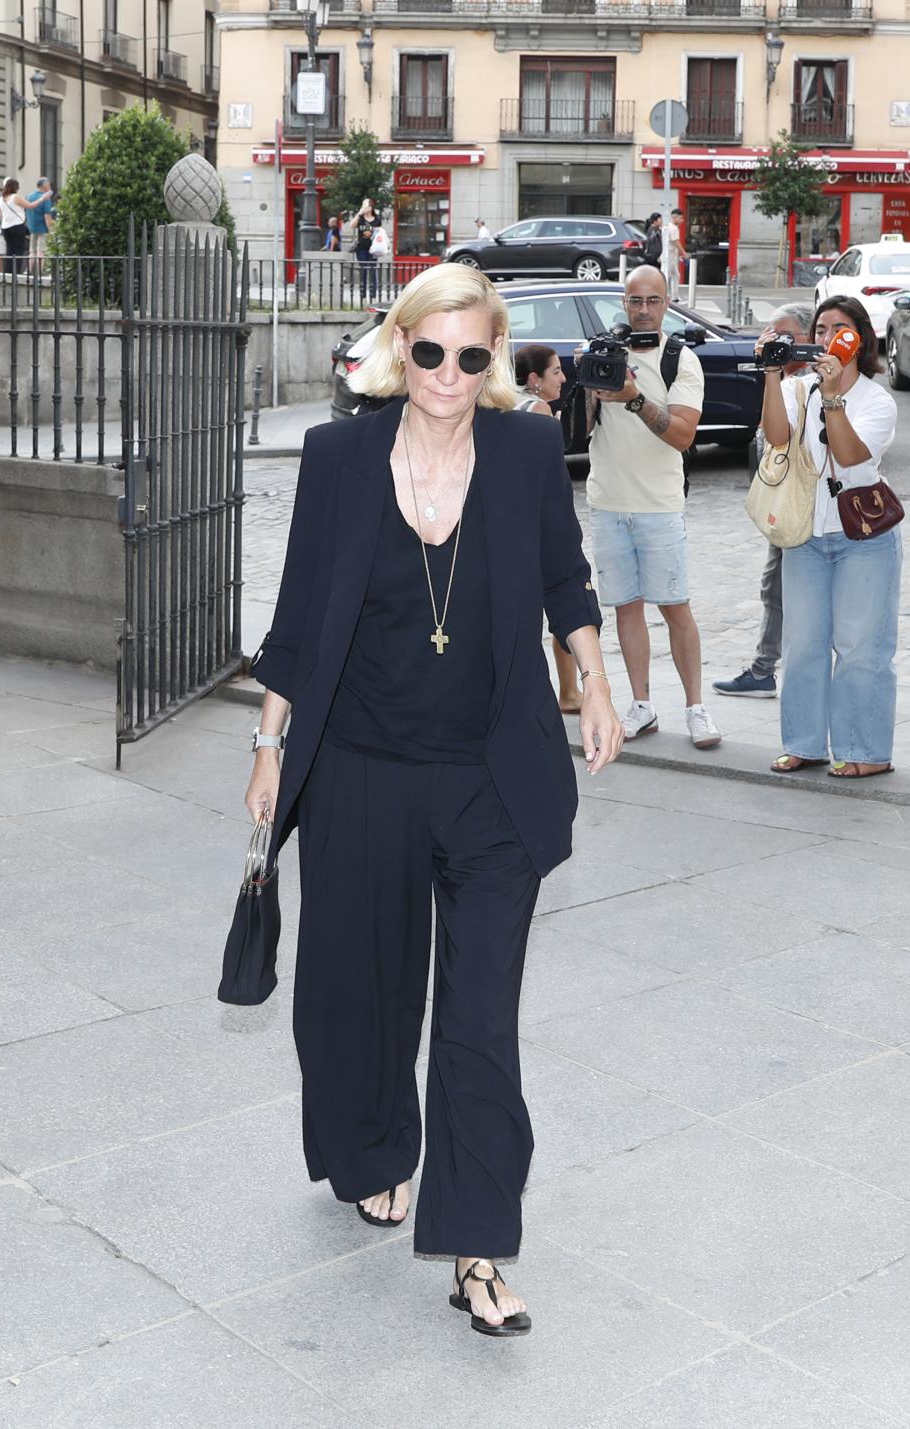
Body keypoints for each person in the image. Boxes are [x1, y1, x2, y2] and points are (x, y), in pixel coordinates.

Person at [244, 263, 622, 1337]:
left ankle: (476, 1245)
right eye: (429, 352)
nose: (449, 375)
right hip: (363, 762)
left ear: (490, 359)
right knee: (359, 988)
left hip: (491, 776)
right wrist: (271, 745)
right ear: (397, 348)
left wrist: (592, 684)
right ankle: (368, 1148)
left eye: (471, 356)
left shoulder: (526, 451)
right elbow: (297, 615)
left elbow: (565, 579)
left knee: (478, 1015)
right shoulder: (340, 457)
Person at [763, 294, 900, 779]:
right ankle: (804, 743)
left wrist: (834, 396)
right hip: (805, 534)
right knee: (802, 644)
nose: (824, 339)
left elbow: (847, 456)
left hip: (862, 536)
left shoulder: (876, 400)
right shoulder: (798, 389)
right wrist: (772, 375)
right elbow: (776, 437)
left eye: (837, 330)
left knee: (862, 646)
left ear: (858, 341)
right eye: (819, 330)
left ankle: (867, 748)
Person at [585, 263, 722, 749]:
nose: (643, 310)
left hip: (659, 505)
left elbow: (683, 437)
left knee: (675, 607)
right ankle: (641, 704)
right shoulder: (608, 350)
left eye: (653, 301)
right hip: (607, 502)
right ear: (624, 302)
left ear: (667, 303)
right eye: (635, 301)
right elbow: (587, 424)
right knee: (626, 608)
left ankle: (695, 708)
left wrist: (634, 397)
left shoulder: (680, 360)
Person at [713, 302, 815, 699]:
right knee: (775, 586)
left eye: (785, 336)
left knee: (781, 589)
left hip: (803, 503)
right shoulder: (784, 379)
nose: (777, 344)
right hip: (784, 498)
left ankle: (769, 669)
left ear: (809, 338)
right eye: (771, 336)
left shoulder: (810, 382)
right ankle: (764, 668)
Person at [514, 343, 583, 715]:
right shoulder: (538, 410)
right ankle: (569, 691)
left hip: (513, 520)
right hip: (539, 523)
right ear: (535, 380)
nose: (563, 377)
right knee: (562, 604)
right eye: (556, 371)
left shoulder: (504, 402)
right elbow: (548, 476)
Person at [0, 178, 51, 276]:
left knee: (9, 250)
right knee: (19, 250)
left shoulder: (2, 198)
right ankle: (16, 272)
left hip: (5, 227)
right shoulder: (15, 197)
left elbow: (0, 213)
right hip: (17, 226)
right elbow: (30, 206)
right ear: (14, 187)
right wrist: (42, 198)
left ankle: (8, 273)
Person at [347, 197, 381, 301]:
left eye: (367, 206)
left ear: (371, 207)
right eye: (364, 206)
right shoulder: (360, 219)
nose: (366, 208)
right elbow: (351, 225)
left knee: (372, 270)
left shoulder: (376, 220)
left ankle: (373, 294)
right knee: (363, 270)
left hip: (373, 248)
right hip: (361, 247)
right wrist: (359, 213)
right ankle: (363, 295)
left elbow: (380, 233)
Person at [26, 176, 54, 274]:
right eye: (49, 185)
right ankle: (39, 273)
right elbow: (47, 215)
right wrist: (51, 229)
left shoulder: (29, 196)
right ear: (45, 186)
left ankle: (29, 271)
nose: (50, 187)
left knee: (32, 251)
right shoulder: (46, 198)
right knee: (41, 251)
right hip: (43, 228)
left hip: (32, 227)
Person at [664, 208, 687, 300]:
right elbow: (676, 242)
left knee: (675, 275)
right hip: (670, 255)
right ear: (674, 217)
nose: (682, 220)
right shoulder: (673, 228)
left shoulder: (667, 227)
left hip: (669, 254)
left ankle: (675, 296)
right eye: (680, 218)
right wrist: (684, 253)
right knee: (667, 275)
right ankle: (666, 295)